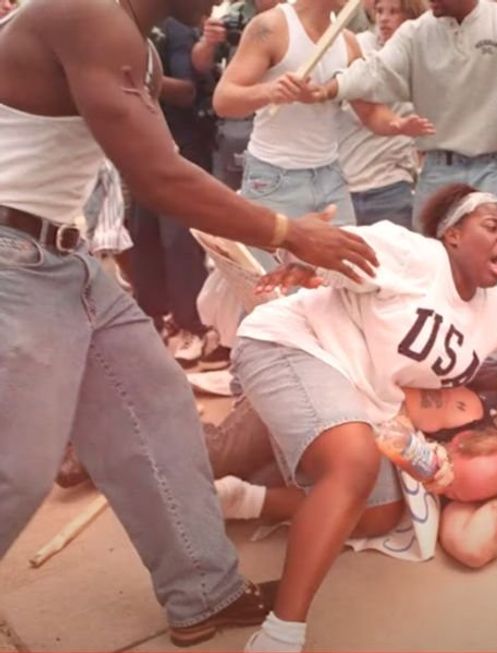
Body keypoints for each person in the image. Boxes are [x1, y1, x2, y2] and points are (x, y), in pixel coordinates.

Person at [0, 0, 380, 645]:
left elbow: (163, 166)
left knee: (157, 417)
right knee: (17, 467)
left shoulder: (133, 44)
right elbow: (158, 178)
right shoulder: (84, 13)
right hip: (14, 257)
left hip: (65, 256)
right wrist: (287, 231)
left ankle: (203, 592)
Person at [230, 183, 497, 651]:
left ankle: (244, 499)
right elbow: (344, 249)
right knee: (351, 464)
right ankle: (283, 634)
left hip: (352, 395)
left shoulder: (496, 311)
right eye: (492, 226)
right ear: (452, 235)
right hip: (293, 345)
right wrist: (308, 258)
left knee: (378, 515)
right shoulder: (414, 256)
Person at [319, 0, 497, 410]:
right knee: (430, 278)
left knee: (491, 275)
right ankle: (442, 375)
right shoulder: (417, 33)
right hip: (438, 166)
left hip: (495, 165)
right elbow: (373, 74)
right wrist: (328, 87)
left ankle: (489, 381)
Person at [204, 386, 497, 570]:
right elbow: (370, 397)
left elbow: (471, 549)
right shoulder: (457, 411)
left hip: (313, 458)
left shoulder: (475, 484)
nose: (448, 491)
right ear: (459, 443)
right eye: (455, 480)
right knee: (213, 457)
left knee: (377, 509)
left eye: (460, 498)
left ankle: (242, 498)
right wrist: (407, 442)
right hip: (308, 403)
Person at [212, 0, 432, 228]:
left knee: (344, 262)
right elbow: (223, 100)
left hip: (330, 175)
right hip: (273, 174)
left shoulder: (347, 42)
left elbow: (370, 112)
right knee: (272, 263)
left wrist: (398, 125)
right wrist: (269, 91)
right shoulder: (272, 26)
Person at [130, 17, 214, 365]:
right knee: (141, 238)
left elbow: (186, 90)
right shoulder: (123, 26)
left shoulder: (175, 28)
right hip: (142, 148)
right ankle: (157, 322)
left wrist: (139, 78)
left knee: (178, 242)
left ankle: (193, 326)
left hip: (182, 147)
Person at [336, 0, 428, 229]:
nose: (384, 18)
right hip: (344, 183)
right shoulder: (357, 47)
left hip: (392, 184)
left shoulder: (423, 57)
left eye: (393, 12)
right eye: (379, 11)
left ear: (411, 17)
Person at [191, 0, 283, 191]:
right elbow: (200, 64)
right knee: (230, 195)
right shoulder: (236, 13)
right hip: (240, 121)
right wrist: (208, 41)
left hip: (284, 122)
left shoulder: (299, 13)